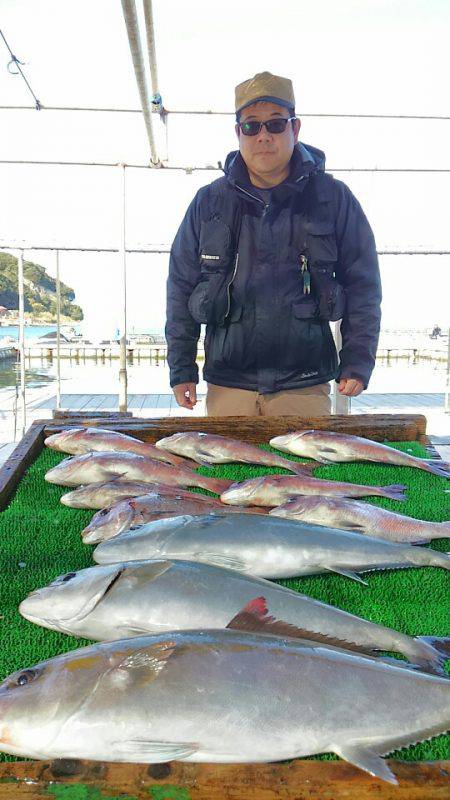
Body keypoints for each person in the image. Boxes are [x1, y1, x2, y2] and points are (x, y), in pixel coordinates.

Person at [166, 71, 381, 416]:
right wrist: (181, 368)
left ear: (295, 129)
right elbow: (180, 286)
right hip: (227, 386)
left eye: (276, 124)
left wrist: (357, 360)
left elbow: (363, 284)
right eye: (251, 126)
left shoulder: (333, 198)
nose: (263, 135)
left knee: (306, 456)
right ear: (238, 133)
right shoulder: (208, 202)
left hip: (305, 387)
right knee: (227, 457)